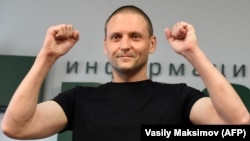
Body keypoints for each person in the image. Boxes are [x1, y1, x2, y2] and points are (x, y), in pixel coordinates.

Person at [1, 4, 249, 141]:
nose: (125, 44)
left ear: (152, 44)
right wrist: (47, 56)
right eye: (116, 37)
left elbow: (236, 122)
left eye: (135, 36)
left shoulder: (179, 98)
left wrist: (192, 52)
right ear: (105, 45)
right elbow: (16, 127)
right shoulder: (79, 100)